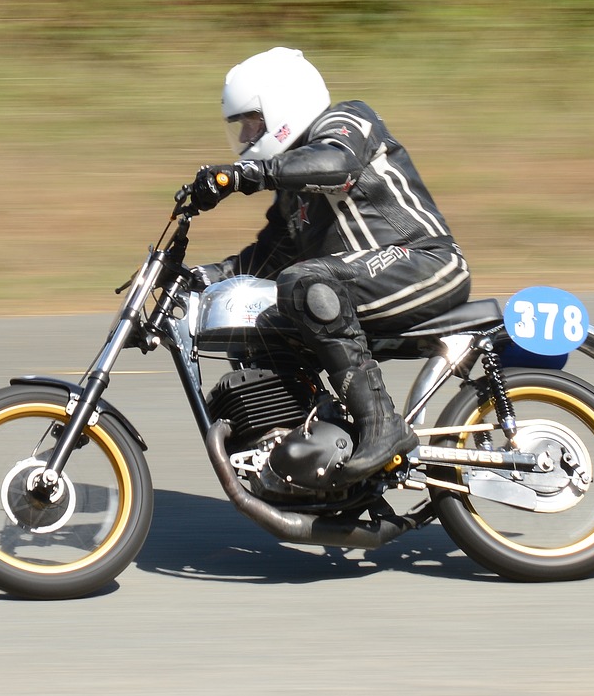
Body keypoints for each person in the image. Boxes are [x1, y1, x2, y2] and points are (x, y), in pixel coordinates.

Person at [189, 46, 472, 484]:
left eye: (252, 120)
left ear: (285, 103)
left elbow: (336, 164)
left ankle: (383, 424)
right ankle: (314, 445)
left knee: (304, 283)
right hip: (358, 285)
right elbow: (264, 259)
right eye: (240, 125)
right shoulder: (292, 193)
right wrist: (197, 279)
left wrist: (250, 174)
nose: (246, 134)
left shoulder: (346, 121)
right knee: (256, 314)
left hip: (424, 262)